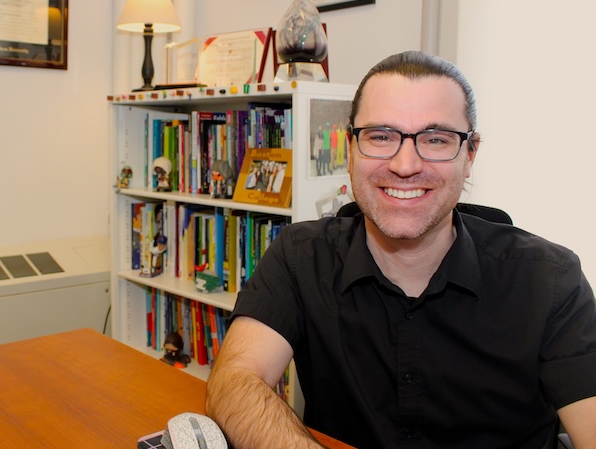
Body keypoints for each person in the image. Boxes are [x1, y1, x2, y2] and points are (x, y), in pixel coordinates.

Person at [205, 51, 596, 449]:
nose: (405, 165)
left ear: (470, 154)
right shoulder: (300, 256)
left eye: (436, 139)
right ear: (351, 147)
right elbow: (234, 380)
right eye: (382, 136)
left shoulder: (551, 279)